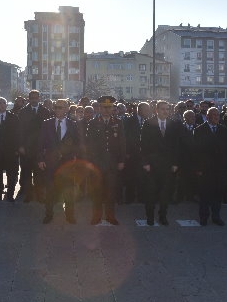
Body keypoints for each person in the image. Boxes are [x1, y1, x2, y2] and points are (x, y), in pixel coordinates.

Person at [37, 99, 81, 224]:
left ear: (67, 109)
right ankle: (49, 214)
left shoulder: (73, 124)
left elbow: (77, 143)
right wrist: (40, 159)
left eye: (60, 107)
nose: (57, 109)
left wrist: (74, 157)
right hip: (51, 163)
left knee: (69, 189)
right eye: (56, 107)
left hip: (67, 164)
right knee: (50, 189)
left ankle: (70, 215)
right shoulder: (46, 124)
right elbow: (40, 142)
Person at [86, 95, 126, 225]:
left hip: (112, 163)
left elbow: (122, 143)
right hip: (97, 163)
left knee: (111, 191)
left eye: (109, 107)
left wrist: (121, 160)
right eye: (104, 107)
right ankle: (96, 216)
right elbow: (90, 144)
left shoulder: (118, 122)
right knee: (97, 191)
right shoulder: (93, 123)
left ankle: (110, 216)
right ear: (99, 108)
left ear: (113, 108)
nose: (107, 110)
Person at [140, 100, 179, 226]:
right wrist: (145, 162)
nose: (165, 111)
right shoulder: (148, 123)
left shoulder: (173, 124)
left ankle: (163, 216)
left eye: (167, 109)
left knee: (165, 193)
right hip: (151, 165)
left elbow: (176, 145)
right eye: (162, 109)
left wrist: (175, 163)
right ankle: (150, 216)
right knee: (150, 193)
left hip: (167, 165)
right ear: (156, 110)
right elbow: (143, 144)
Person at [193, 107, 227, 226]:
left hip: (220, 168)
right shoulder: (199, 130)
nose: (216, 117)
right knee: (205, 194)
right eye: (213, 115)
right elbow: (196, 151)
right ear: (207, 116)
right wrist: (198, 168)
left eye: (218, 115)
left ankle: (216, 216)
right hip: (205, 169)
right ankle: (203, 217)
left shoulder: (224, 130)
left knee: (218, 194)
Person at [17, 90, 52, 202]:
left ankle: (39, 195)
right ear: (29, 98)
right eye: (32, 98)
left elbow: (48, 131)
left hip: (40, 148)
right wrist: (21, 146)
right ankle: (28, 195)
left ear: (39, 98)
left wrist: (46, 147)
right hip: (27, 148)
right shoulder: (23, 112)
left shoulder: (45, 111)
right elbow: (20, 130)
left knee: (39, 173)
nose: (34, 100)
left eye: (36, 97)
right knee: (26, 172)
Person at [0, 97, 20, 202]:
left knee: (11, 175)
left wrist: (17, 149)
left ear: (6, 105)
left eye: (3, 103)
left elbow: (18, 135)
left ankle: (10, 195)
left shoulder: (14, 118)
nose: (1, 105)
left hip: (10, 152)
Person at [122, 102, 151, 204]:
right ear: (140, 110)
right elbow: (125, 137)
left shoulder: (149, 121)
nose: (148, 112)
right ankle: (129, 197)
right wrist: (127, 152)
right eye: (146, 110)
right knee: (130, 176)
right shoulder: (129, 121)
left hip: (143, 154)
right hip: (131, 154)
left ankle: (141, 196)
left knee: (142, 176)